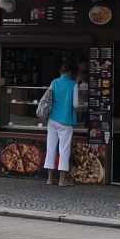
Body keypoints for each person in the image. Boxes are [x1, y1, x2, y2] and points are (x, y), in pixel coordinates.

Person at [43, 59, 85, 187]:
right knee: (64, 149)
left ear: (60, 71)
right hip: (65, 121)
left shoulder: (54, 82)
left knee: (51, 147)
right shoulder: (73, 85)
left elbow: (48, 99)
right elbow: (75, 104)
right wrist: (81, 104)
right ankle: (62, 180)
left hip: (52, 119)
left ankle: (50, 178)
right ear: (71, 72)